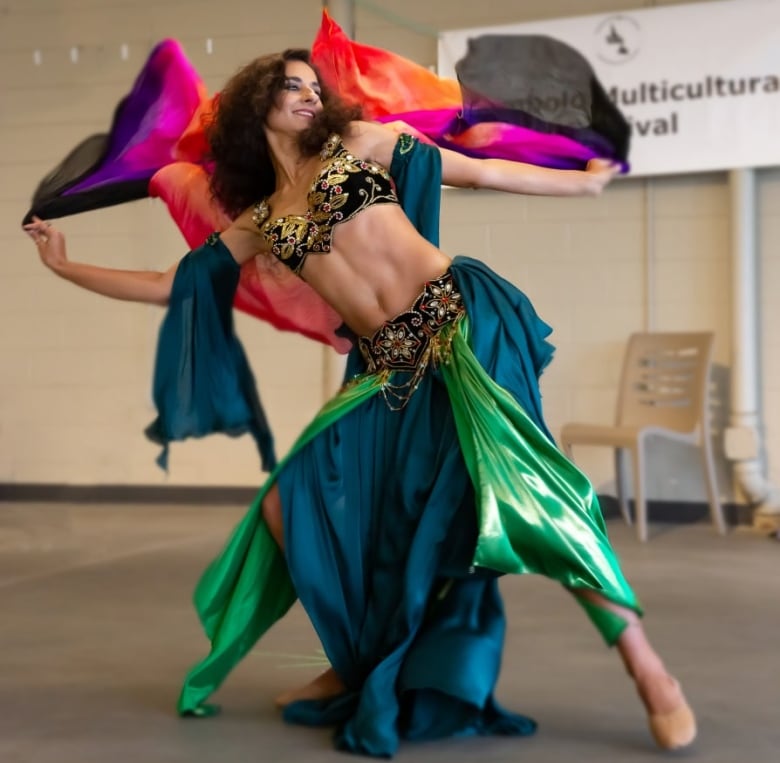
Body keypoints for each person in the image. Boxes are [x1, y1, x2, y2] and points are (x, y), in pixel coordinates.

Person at [24, 48, 696, 757]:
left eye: (315, 86)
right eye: (292, 87)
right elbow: (171, 283)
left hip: (460, 327)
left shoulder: (361, 142)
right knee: (289, 505)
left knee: (530, 497)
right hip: (389, 368)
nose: (311, 96)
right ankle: (358, 659)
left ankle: (649, 671)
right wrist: (65, 266)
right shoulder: (259, 219)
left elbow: (482, 171)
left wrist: (583, 190)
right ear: (257, 107)